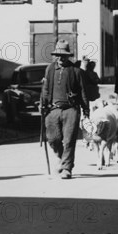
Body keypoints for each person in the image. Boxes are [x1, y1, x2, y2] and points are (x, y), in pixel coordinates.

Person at [40, 40, 89, 180]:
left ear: (69, 56)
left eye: (64, 56)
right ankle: (62, 158)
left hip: (71, 110)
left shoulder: (76, 71)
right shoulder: (50, 69)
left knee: (69, 140)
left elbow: (83, 92)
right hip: (53, 109)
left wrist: (86, 110)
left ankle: (67, 168)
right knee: (53, 139)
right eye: (58, 55)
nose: (61, 58)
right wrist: (43, 104)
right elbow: (45, 89)